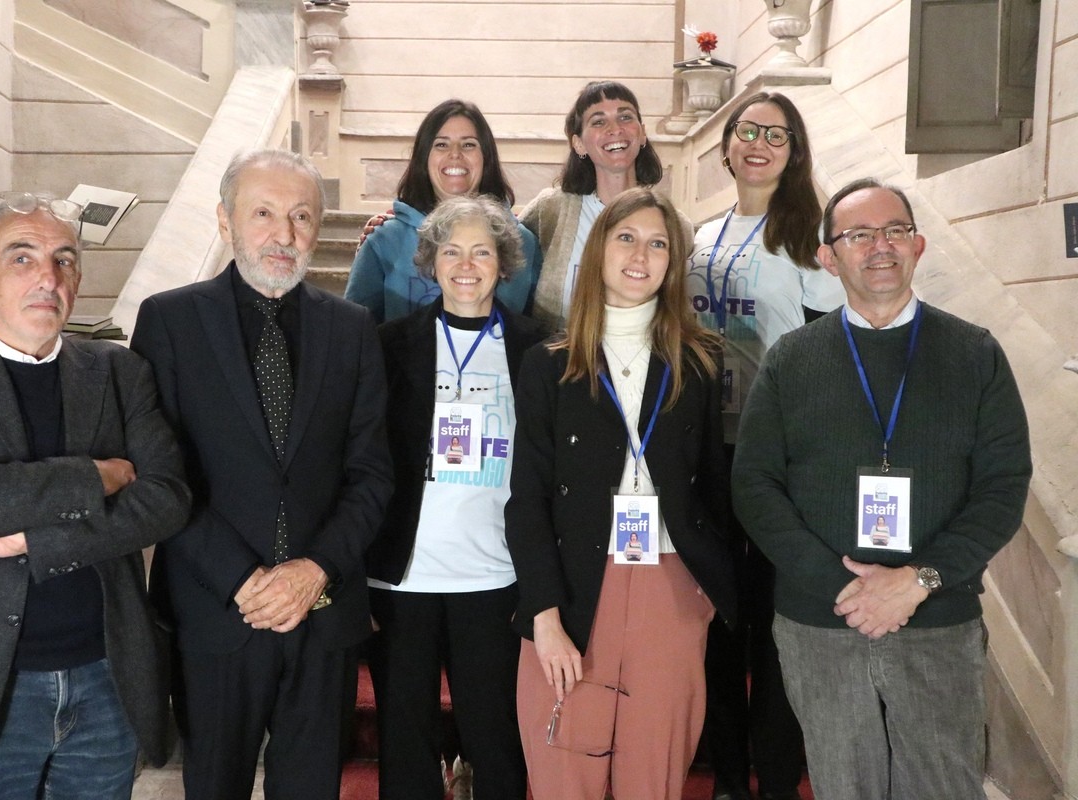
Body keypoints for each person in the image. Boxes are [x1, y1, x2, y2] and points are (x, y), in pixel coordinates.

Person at [0, 192, 191, 798]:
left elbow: (167, 499)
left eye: (64, 260)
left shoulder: (120, 372)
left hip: (104, 681)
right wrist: (95, 477)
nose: (48, 277)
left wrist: (36, 539)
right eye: (21, 258)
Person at [732, 179, 1032, 800]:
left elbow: (1002, 488)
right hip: (821, 623)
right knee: (844, 786)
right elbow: (756, 486)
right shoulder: (790, 359)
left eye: (895, 230)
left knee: (943, 786)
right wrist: (844, 588)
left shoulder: (975, 353)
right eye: (859, 235)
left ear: (918, 245)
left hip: (937, 620)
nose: (880, 246)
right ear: (828, 257)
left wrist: (917, 580)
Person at [130, 149, 394, 800]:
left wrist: (314, 570)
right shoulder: (170, 321)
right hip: (216, 611)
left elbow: (372, 474)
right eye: (264, 214)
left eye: (301, 216)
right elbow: (160, 473)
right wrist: (242, 580)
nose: (284, 234)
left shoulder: (353, 329)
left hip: (323, 612)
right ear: (225, 221)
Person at [506, 187, 736, 799]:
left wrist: (706, 596)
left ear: (672, 262)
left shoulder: (699, 361)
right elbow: (527, 498)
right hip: (575, 585)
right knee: (563, 774)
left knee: (653, 776)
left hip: (671, 588)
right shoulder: (548, 365)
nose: (641, 255)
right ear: (598, 250)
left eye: (658, 244)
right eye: (627, 238)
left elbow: (713, 487)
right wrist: (543, 615)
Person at [686, 91, 843, 800]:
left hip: (776, 456)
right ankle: (727, 774)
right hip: (704, 450)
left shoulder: (810, 240)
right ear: (726, 145)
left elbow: (833, 352)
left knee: (776, 624)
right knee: (720, 617)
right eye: (747, 131)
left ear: (794, 151)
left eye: (776, 136)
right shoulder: (700, 236)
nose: (758, 144)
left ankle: (776, 777)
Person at [367, 195, 549, 800]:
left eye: (481, 252)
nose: (466, 265)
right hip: (403, 579)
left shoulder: (538, 349)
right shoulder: (389, 346)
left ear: (504, 263)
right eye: (452, 251)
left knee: (496, 741)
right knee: (405, 746)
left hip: (495, 576)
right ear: (431, 261)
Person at [345, 99, 541, 323]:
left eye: (468, 144)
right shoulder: (384, 240)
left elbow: (536, 332)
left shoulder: (524, 242)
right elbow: (354, 331)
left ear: (486, 157)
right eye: (441, 145)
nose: (455, 154)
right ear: (424, 157)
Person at [521, 80, 664, 329]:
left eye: (625, 117)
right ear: (578, 143)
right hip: (557, 351)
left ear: (642, 133)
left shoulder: (672, 223)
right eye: (598, 121)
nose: (615, 129)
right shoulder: (551, 209)